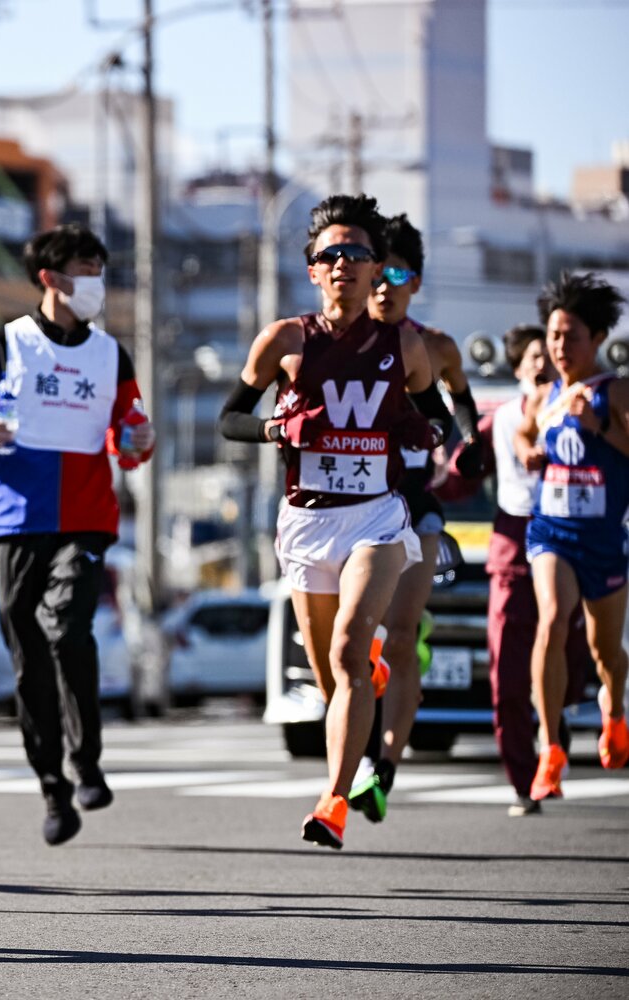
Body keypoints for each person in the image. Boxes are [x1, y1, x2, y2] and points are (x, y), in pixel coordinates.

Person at [219, 193, 452, 849]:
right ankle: (365, 691)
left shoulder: (405, 345)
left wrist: (419, 432)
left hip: (376, 518)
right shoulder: (286, 340)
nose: (344, 263)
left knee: (351, 650)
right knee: (332, 680)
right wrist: (273, 427)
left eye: (357, 253)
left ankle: (333, 801)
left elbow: (441, 421)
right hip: (305, 522)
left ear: (378, 269)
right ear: (313, 269)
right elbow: (228, 418)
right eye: (332, 254)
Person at [0, 223, 156, 846]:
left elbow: (130, 432)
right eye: (87, 270)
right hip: (14, 522)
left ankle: (87, 762)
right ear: (51, 278)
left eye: (100, 270)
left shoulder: (113, 355)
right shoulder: (1, 346)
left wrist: (138, 441)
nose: (97, 284)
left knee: (70, 626)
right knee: (28, 657)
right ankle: (53, 788)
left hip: (85, 519)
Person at [348, 213, 481, 824]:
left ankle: (385, 769)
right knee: (352, 646)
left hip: (415, 504)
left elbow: (463, 409)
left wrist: (467, 443)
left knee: (399, 638)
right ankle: (358, 749)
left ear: (415, 282)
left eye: (397, 272)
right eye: (377, 271)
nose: (384, 285)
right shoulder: (336, 345)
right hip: (348, 507)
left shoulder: (436, 347)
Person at [448, 324, 593, 814]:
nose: (540, 363)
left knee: (575, 654)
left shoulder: (581, 412)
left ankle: (557, 717)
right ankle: (522, 779)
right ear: (516, 367)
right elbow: (459, 476)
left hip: (568, 542)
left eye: (547, 356)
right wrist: (429, 477)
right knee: (507, 674)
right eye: (531, 356)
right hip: (513, 550)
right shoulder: (500, 418)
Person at [512, 272, 629, 800]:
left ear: (598, 337)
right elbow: (522, 431)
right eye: (554, 335)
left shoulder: (618, 391)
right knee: (554, 619)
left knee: (605, 650)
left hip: (603, 540)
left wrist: (600, 428)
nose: (560, 346)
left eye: (571, 336)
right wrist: (527, 454)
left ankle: (615, 705)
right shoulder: (545, 396)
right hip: (550, 532)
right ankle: (550, 745)